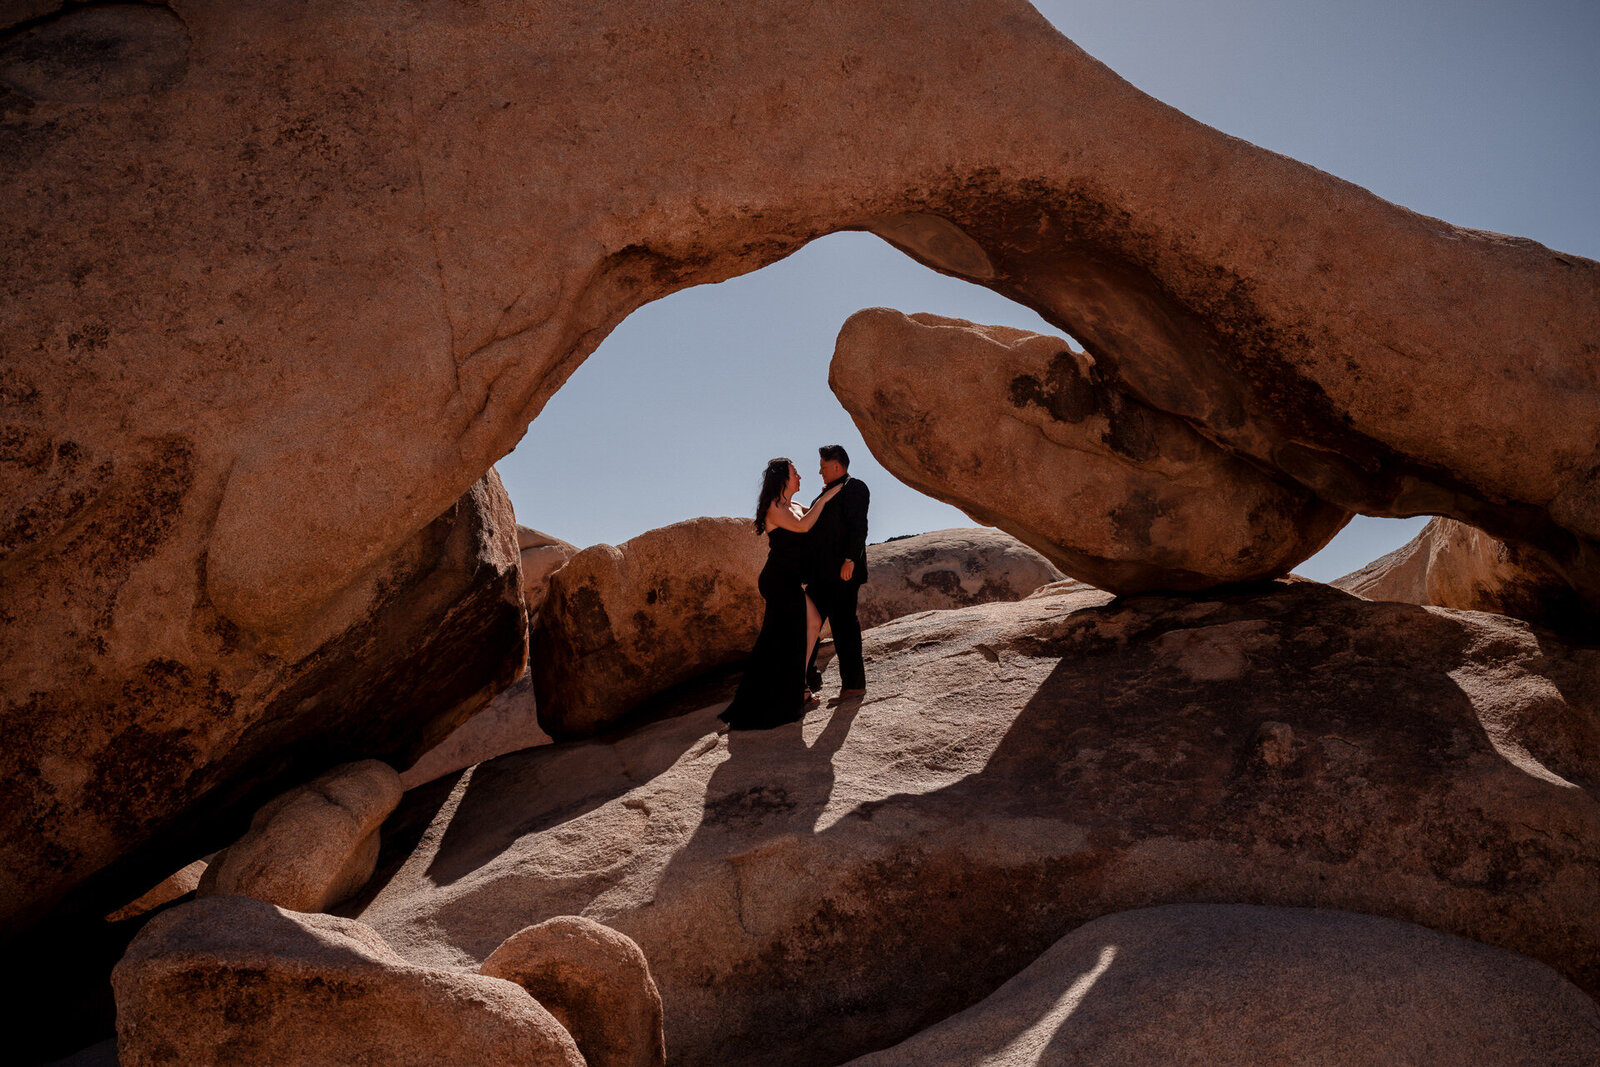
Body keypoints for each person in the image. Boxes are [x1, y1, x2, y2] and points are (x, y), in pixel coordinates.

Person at [719, 458, 844, 730]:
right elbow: (803, 527)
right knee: (804, 625)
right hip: (776, 580)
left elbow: (818, 523)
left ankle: (798, 683)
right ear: (783, 479)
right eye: (795, 473)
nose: (800, 476)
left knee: (796, 630)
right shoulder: (774, 508)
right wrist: (825, 497)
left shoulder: (797, 506)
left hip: (790, 580)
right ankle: (795, 688)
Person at [804, 445, 869, 698]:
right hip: (820, 577)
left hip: (844, 573)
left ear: (836, 465)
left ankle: (853, 686)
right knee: (805, 625)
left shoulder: (856, 487)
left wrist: (851, 559)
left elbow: (858, 527)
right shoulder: (822, 495)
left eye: (822, 466)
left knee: (844, 627)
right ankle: (806, 683)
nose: (819, 471)